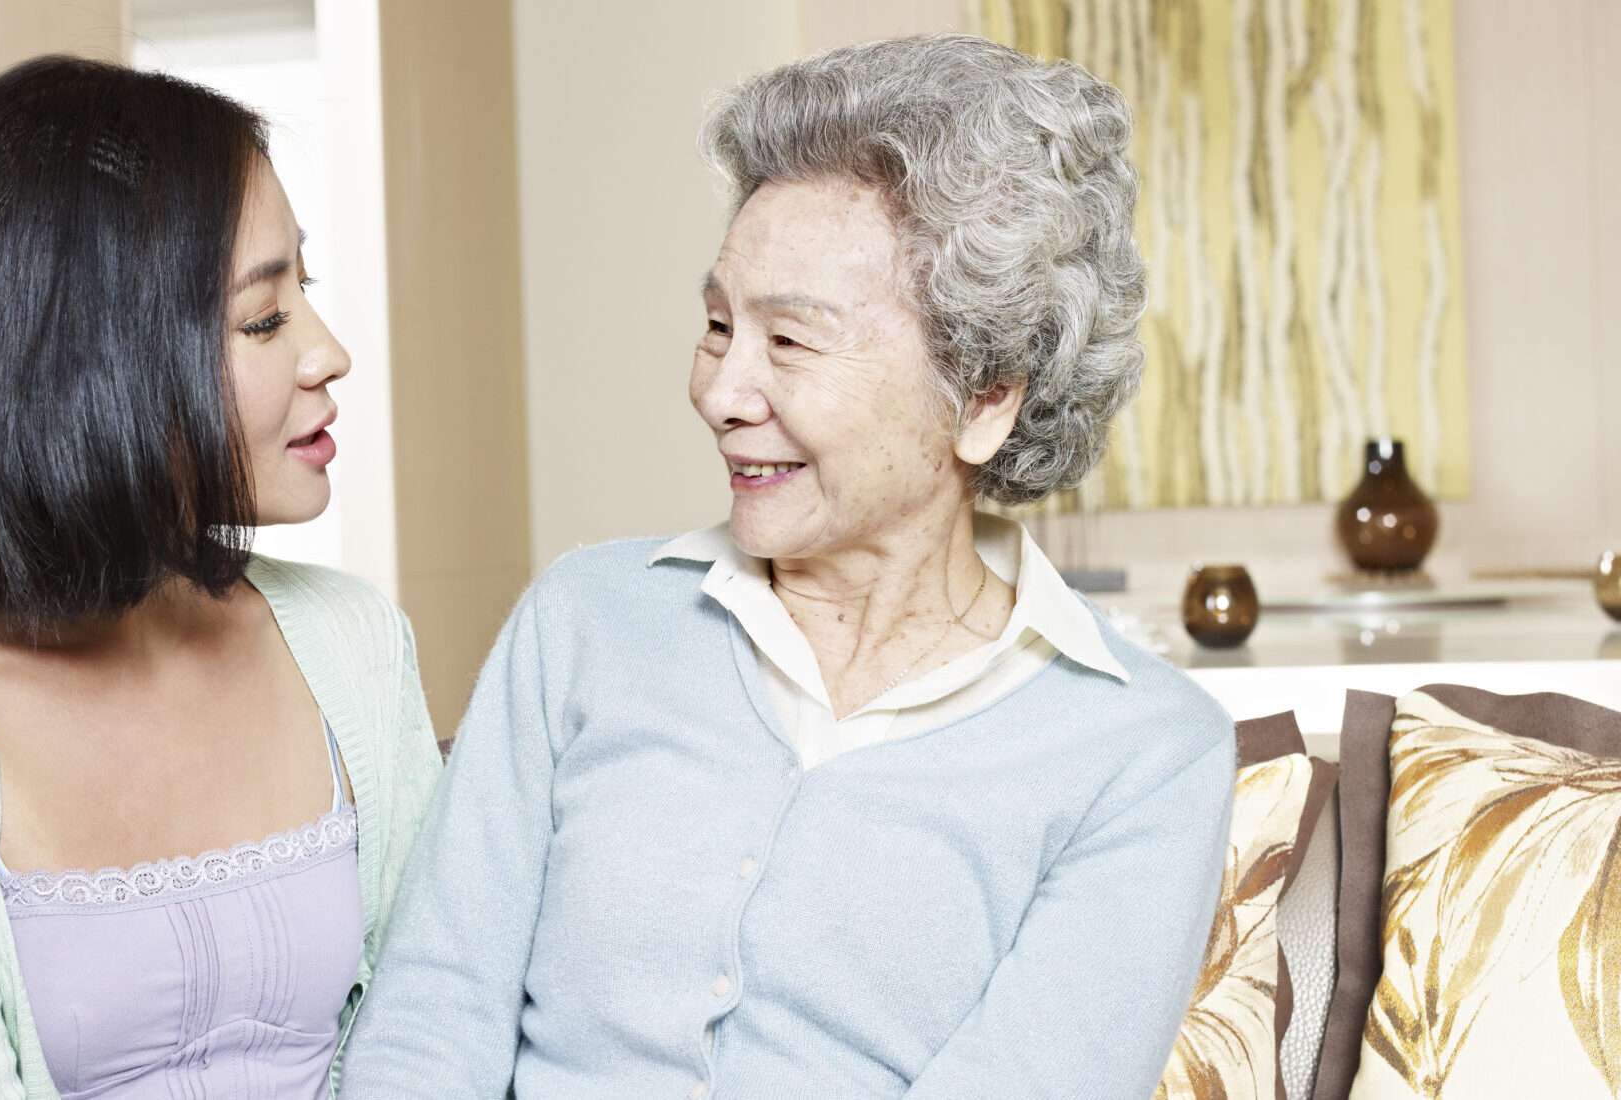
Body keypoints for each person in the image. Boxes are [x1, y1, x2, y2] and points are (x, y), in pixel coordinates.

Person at [340, 34, 1232, 1100]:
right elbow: (432, 1021)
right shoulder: (584, 621)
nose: (721, 391)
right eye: (717, 326)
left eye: (791, 342)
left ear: (986, 394)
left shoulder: (1139, 751)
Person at [0, 56, 441, 1100]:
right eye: (263, 319)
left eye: (304, 294)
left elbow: (439, 1029)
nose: (329, 352)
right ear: (88, 358)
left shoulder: (353, 643)